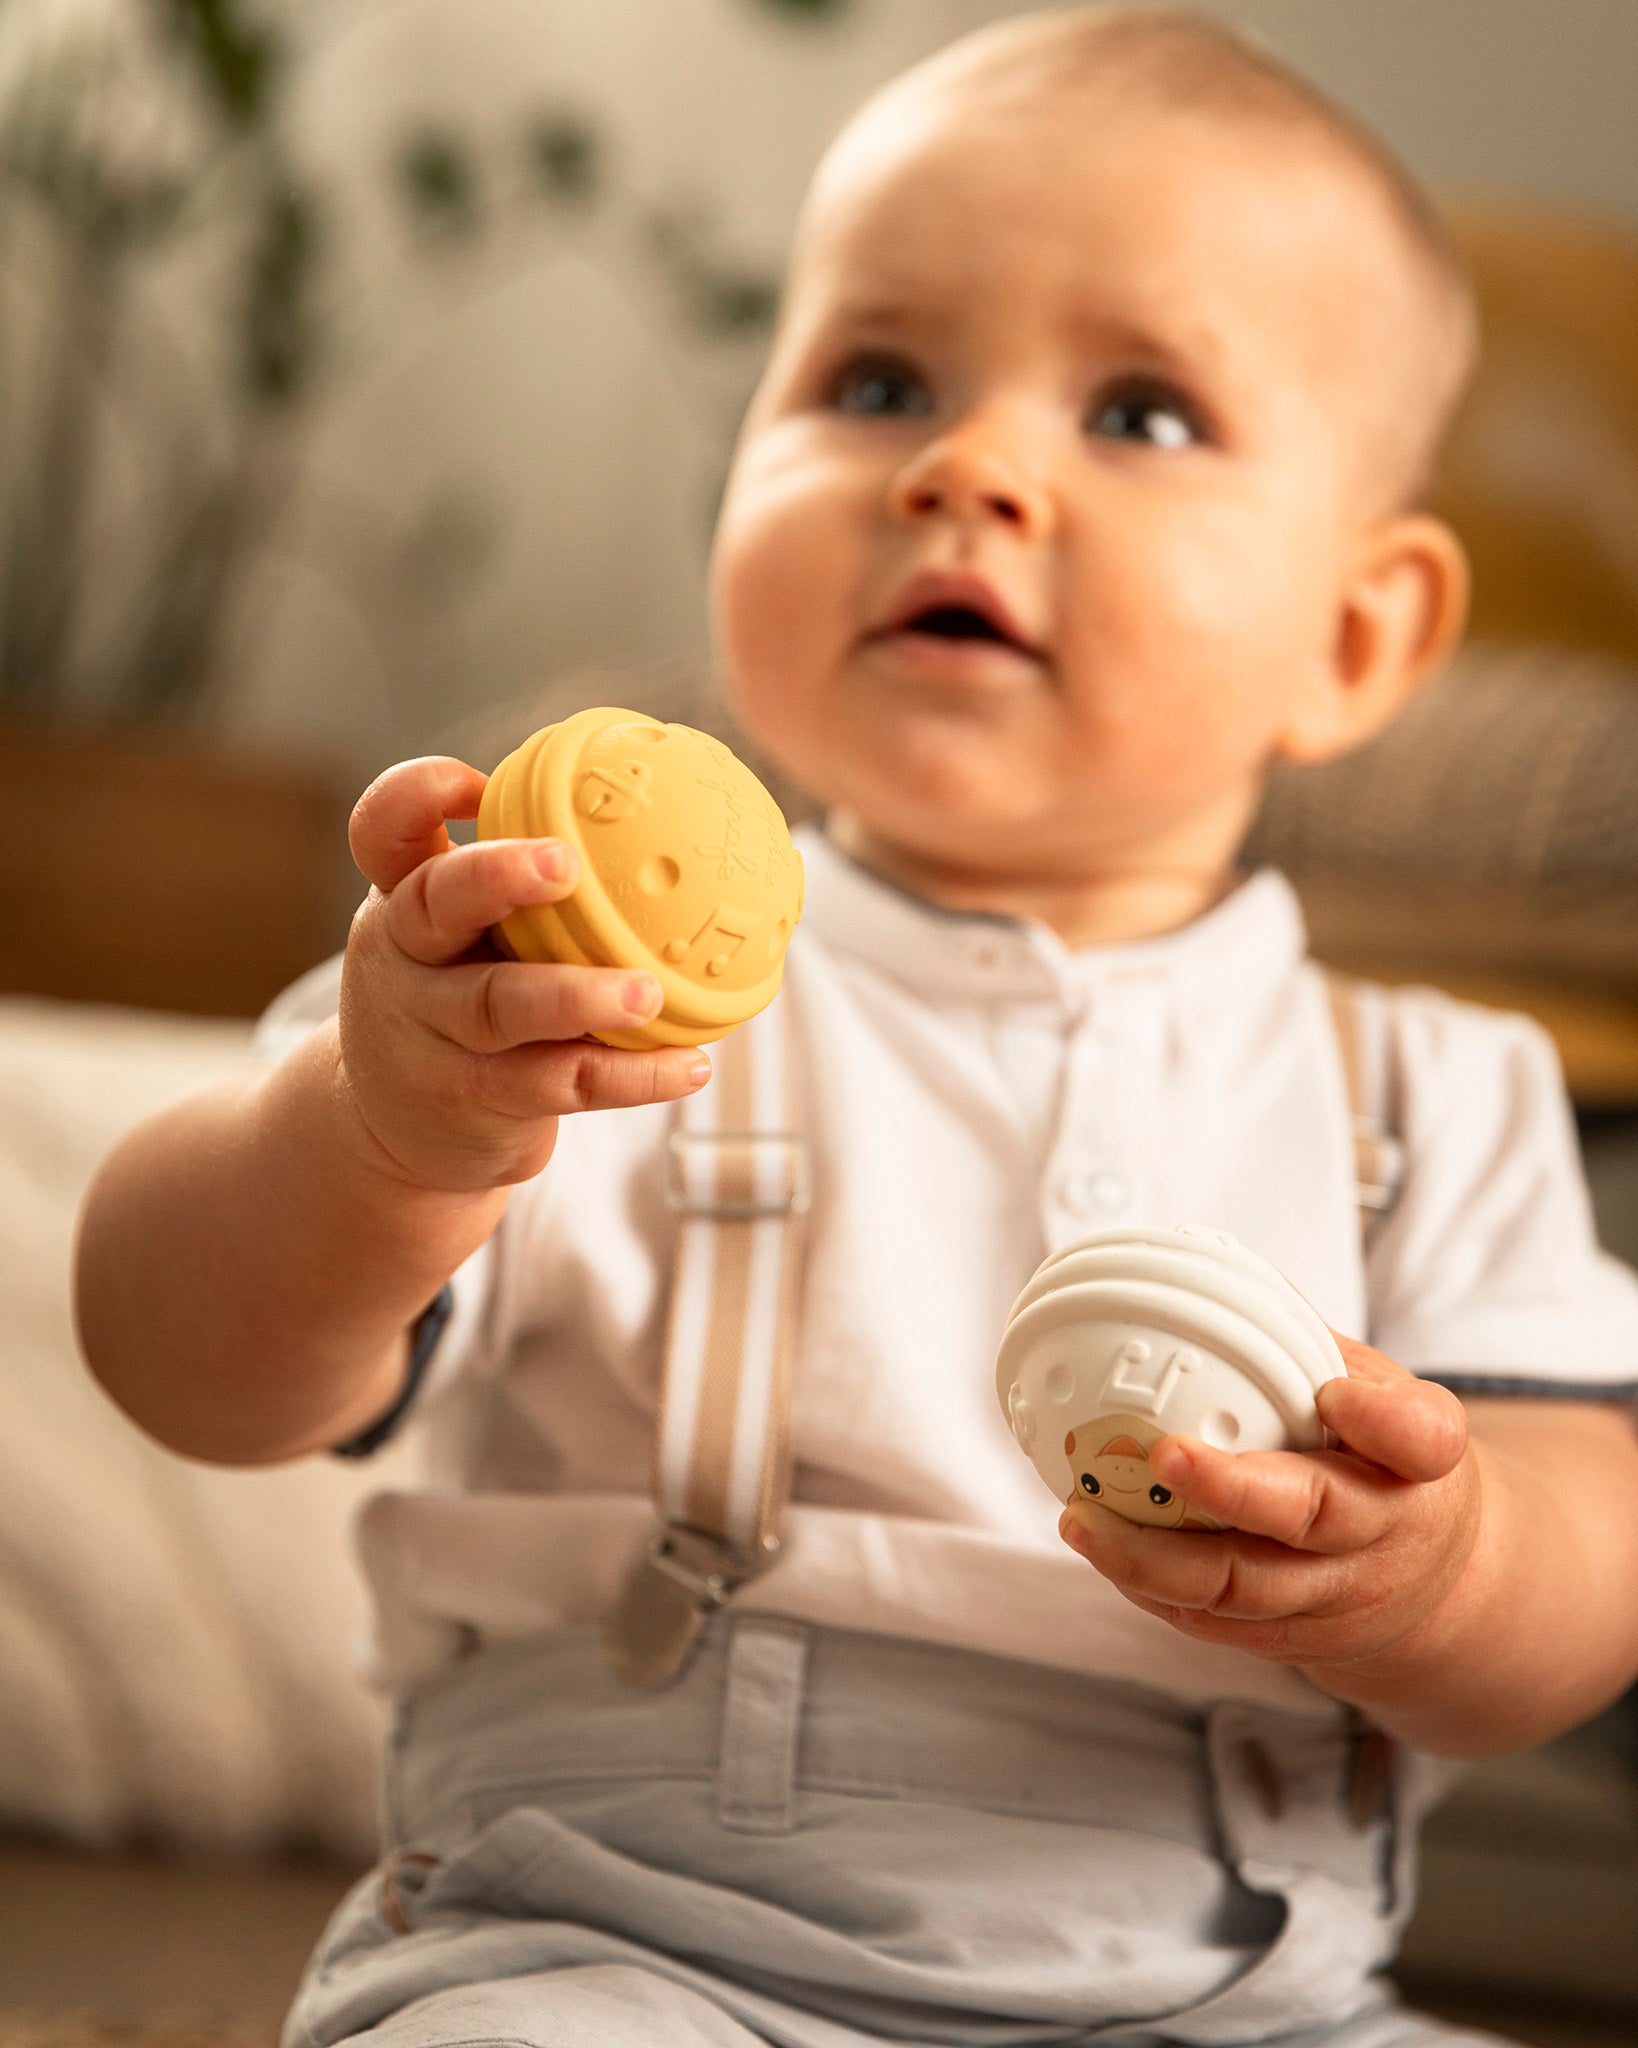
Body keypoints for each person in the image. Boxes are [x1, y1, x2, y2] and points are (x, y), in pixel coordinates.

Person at [75, 10, 1638, 2046]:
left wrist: (1448, 1568)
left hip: (1250, 2001)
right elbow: (177, 1353)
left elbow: (1594, 1566)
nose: (965, 466)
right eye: (878, 379)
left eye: (1143, 412)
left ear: (1355, 633)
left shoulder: (1438, 1090)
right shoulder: (554, 987)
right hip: (634, 1949)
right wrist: (377, 1133)